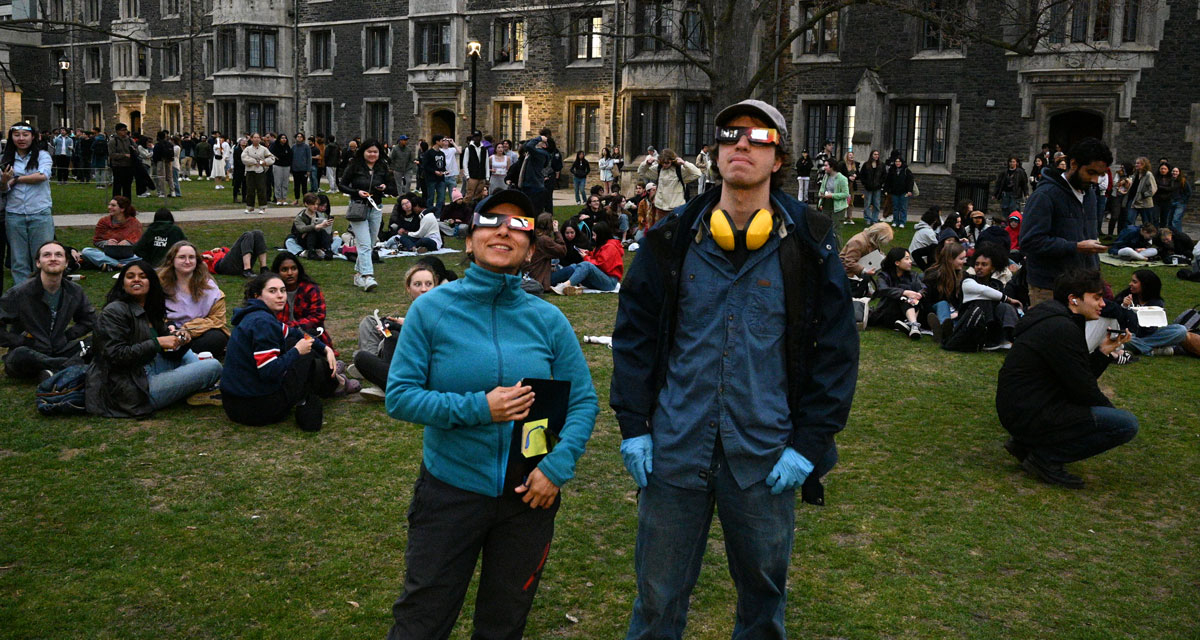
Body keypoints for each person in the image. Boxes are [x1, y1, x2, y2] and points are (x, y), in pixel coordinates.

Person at [612, 99, 856, 639]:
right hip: (674, 450)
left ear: (779, 156)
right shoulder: (669, 239)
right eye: (730, 134)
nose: (741, 144)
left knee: (764, 602)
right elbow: (633, 338)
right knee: (656, 599)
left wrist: (809, 444)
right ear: (716, 150)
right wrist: (635, 427)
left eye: (759, 136)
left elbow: (837, 355)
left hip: (766, 457)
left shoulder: (810, 246)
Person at [383, 188, 598, 640]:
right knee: (423, 618)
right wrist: (480, 408)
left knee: (504, 623)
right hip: (451, 491)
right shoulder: (432, 310)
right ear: (469, 239)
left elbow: (582, 401)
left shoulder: (548, 320)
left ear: (530, 247)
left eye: (519, 225)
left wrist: (557, 468)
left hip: (529, 496)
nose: (505, 229)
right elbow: (400, 396)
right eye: (492, 220)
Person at [995, 268, 1138, 488]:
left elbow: (1077, 375)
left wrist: (1103, 352)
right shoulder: (1061, 327)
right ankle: (1045, 457)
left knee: (1105, 416)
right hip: (1027, 412)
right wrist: (1109, 414)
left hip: (1021, 407)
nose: (1102, 304)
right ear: (1073, 299)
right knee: (1125, 424)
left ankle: (1025, 443)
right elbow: (1082, 387)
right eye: (1097, 298)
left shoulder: (1058, 318)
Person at [85, 261, 223, 418]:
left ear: (151, 282)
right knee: (213, 366)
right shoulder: (114, 312)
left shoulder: (150, 308)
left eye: (142, 276)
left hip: (147, 367)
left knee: (188, 354)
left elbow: (168, 348)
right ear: (123, 284)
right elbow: (115, 356)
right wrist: (158, 342)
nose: (136, 279)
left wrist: (181, 339)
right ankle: (202, 388)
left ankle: (198, 388)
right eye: (130, 277)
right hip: (131, 388)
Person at [221, 273, 341, 431]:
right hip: (258, 408)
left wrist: (325, 349)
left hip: (232, 404)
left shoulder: (255, 315)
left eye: (283, 290)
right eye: (272, 291)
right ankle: (336, 382)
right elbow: (269, 371)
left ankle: (333, 376)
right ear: (257, 296)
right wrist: (297, 351)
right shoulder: (262, 323)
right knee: (305, 353)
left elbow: (294, 332)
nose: (280, 296)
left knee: (302, 341)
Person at [1019, 137, 1111, 306]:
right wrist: (1075, 247)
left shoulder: (1090, 194)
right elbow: (1029, 241)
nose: (1095, 180)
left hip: (1084, 287)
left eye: (1100, 175)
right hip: (1049, 288)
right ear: (1073, 164)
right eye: (1091, 172)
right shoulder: (1045, 195)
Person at [0, 241, 95, 379]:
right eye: (47, 255)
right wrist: (22, 341)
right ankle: (66, 366)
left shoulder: (74, 291)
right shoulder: (20, 293)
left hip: (60, 348)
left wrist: (67, 336)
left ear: (66, 263)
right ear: (38, 263)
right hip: (31, 351)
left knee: (97, 342)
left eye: (58, 255)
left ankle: (50, 372)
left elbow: (89, 320)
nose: (53, 258)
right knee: (19, 355)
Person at [352, 263, 441, 398]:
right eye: (418, 284)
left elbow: (429, 340)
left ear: (435, 286)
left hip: (420, 369)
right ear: (408, 288)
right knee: (370, 322)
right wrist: (388, 324)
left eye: (428, 284)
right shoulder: (416, 308)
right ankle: (378, 369)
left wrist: (400, 327)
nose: (424, 289)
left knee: (384, 342)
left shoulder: (439, 309)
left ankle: (382, 379)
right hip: (401, 362)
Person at [339, 139, 398, 292]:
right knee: (364, 243)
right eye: (369, 151)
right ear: (363, 152)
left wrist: (384, 187)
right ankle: (367, 276)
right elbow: (342, 185)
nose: (372, 154)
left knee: (370, 243)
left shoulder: (382, 167)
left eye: (375, 152)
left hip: (375, 208)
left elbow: (394, 189)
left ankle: (358, 274)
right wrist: (356, 192)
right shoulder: (355, 166)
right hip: (358, 208)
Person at [2, 121, 55, 283]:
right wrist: (4, 181)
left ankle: (42, 292)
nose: (21, 138)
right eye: (16, 135)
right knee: (19, 260)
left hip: (39, 213)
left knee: (41, 257)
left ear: (33, 137)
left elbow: (42, 176)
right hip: (14, 214)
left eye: (25, 135)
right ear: (11, 137)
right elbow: (3, 189)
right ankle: (23, 295)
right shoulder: (5, 159)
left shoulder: (42, 156)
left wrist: (16, 179)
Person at [159, 241, 230, 359]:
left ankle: (183, 356)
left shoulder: (210, 288)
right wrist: (170, 328)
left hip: (198, 333)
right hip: (168, 332)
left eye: (191, 257)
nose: (187, 261)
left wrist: (187, 330)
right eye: (182, 257)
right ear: (172, 260)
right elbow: (153, 314)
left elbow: (217, 320)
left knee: (217, 337)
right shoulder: (159, 284)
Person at [1111, 269, 1196, 357]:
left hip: (1150, 336)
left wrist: (1156, 315)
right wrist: (1124, 307)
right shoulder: (1125, 297)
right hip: (1129, 335)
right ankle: (1152, 350)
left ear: (1145, 285)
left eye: (1134, 282)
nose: (1130, 284)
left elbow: (1150, 330)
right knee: (1126, 339)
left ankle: (1142, 347)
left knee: (1181, 330)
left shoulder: (1157, 303)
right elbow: (1121, 323)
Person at [550, 221, 623, 294]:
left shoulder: (610, 247)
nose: (593, 238)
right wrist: (588, 253)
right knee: (574, 267)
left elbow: (601, 264)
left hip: (609, 282)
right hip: (602, 278)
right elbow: (598, 256)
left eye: (594, 235)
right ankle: (548, 282)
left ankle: (565, 286)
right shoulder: (604, 244)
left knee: (586, 265)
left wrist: (586, 257)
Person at [871, 246, 924, 339]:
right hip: (888, 312)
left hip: (910, 309)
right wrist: (904, 292)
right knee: (902, 296)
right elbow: (883, 289)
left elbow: (923, 288)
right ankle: (913, 325)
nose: (910, 261)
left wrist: (919, 294)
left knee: (914, 299)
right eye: (907, 259)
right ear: (897, 262)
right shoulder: (883, 275)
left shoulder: (913, 275)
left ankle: (911, 325)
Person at [80, 196, 144, 271]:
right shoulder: (103, 221)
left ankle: (110, 265)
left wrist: (129, 242)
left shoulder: (134, 222)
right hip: (108, 255)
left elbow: (139, 243)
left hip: (128, 257)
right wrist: (106, 243)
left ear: (122, 209)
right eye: (109, 205)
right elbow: (97, 241)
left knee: (143, 257)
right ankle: (120, 265)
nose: (109, 207)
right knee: (86, 251)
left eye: (113, 205)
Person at [923, 241, 967, 343]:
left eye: (965, 258)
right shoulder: (933, 275)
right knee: (943, 304)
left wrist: (957, 312)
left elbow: (961, 300)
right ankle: (943, 328)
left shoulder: (962, 276)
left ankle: (947, 330)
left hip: (954, 312)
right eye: (961, 259)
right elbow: (926, 300)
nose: (964, 261)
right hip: (934, 311)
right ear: (950, 259)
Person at [637, 148, 701, 214]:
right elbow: (641, 172)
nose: (664, 165)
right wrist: (646, 163)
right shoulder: (658, 169)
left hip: (676, 208)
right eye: (662, 163)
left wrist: (684, 163)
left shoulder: (680, 170)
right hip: (660, 207)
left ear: (672, 160)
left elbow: (697, 173)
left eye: (667, 163)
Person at [525, 212, 566, 293]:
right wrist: (556, 231)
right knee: (574, 268)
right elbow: (562, 251)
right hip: (540, 279)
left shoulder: (533, 235)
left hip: (532, 274)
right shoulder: (544, 240)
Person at [285, 193, 335, 259]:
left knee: (334, 237)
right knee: (290, 241)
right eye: (313, 204)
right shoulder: (300, 217)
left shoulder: (321, 215)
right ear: (306, 204)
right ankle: (311, 252)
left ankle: (328, 250)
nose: (315, 206)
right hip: (304, 241)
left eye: (317, 204)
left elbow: (327, 232)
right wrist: (317, 226)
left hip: (319, 240)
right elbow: (302, 229)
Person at [240, 133, 274, 214]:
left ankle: (262, 207)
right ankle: (249, 207)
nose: (256, 139)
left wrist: (263, 162)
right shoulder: (247, 149)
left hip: (260, 171)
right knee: (250, 189)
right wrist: (254, 162)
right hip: (250, 171)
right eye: (254, 138)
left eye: (258, 138)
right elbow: (244, 158)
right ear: (251, 139)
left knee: (261, 189)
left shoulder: (264, 149)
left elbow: (271, 158)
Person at [883, 155, 914, 228]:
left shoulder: (906, 170)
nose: (897, 163)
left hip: (904, 192)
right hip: (894, 192)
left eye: (899, 161)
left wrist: (909, 190)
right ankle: (895, 221)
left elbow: (910, 181)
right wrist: (886, 189)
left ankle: (902, 222)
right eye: (896, 162)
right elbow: (888, 181)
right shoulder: (892, 170)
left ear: (902, 162)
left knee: (903, 208)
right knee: (895, 208)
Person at [421, 135, 449, 215]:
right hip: (431, 179)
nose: (443, 142)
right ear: (437, 141)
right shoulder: (429, 153)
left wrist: (444, 171)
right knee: (431, 197)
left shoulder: (442, 154)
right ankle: (429, 214)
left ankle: (438, 214)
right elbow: (425, 166)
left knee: (441, 197)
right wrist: (434, 171)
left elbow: (443, 166)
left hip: (441, 179)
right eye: (442, 140)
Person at [819, 156, 851, 225]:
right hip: (826, 205)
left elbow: (846, 194)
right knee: (825, 227)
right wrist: (821, 195)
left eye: (826, 165)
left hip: (838, 208)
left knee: (836, 230)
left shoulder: (842, 179)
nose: (824, 167)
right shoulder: (825, 176)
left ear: (832, 167)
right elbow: (822, 188)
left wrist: (832, 195)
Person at [858, 149, 886, 225]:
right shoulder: (866, 165)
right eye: (875, 154)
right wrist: (865, 183)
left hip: (877, 188)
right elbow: (862, 175)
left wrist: (880, 183)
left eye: (877, 154)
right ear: (871, 155)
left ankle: (874, 219)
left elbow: (884, 176)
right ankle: (868, 219)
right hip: (868, 188)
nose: (876, 156)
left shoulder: (881, 165)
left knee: (876, 204)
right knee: (867, 204)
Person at [1127, 156, 1156, 226]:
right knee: (1130, 220)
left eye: (1138, 163)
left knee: (1146, 223)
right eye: (1136, 163)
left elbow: (1153, 189)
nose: (1136, 165)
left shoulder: (1148, 174)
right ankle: (1132, 235)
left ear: (1143, 164)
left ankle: (1147, 236)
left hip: (1144, 203)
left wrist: (1144, 195)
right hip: (1134, 201)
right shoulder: (1135, 174)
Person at [463, 130, 488, 203]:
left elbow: (486, 163)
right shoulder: (469, 149)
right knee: (469, 195)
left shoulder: (484, 149)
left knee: (479, 195)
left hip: (481, 176)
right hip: (472, 176)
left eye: (478, 137)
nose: (477, 139)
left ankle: (475, 210)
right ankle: (464, 210)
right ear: (473, 138)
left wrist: (487, 177)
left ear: (481, 137)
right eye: (475, 137)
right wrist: (467, 176)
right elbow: (465, 163)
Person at [1167, 167, 1190, 233]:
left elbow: (1189, 192)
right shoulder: (1170, 181)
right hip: (1171, 202)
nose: (1174, 173)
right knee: (1170, 220)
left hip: (1180, 203)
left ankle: (1178, 235)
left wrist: (1183, 200)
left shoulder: (1183, 181)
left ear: (1179, 173)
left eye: (1176, 171)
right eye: (1173, 171)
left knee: (1176, 220)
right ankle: (1171, 234)